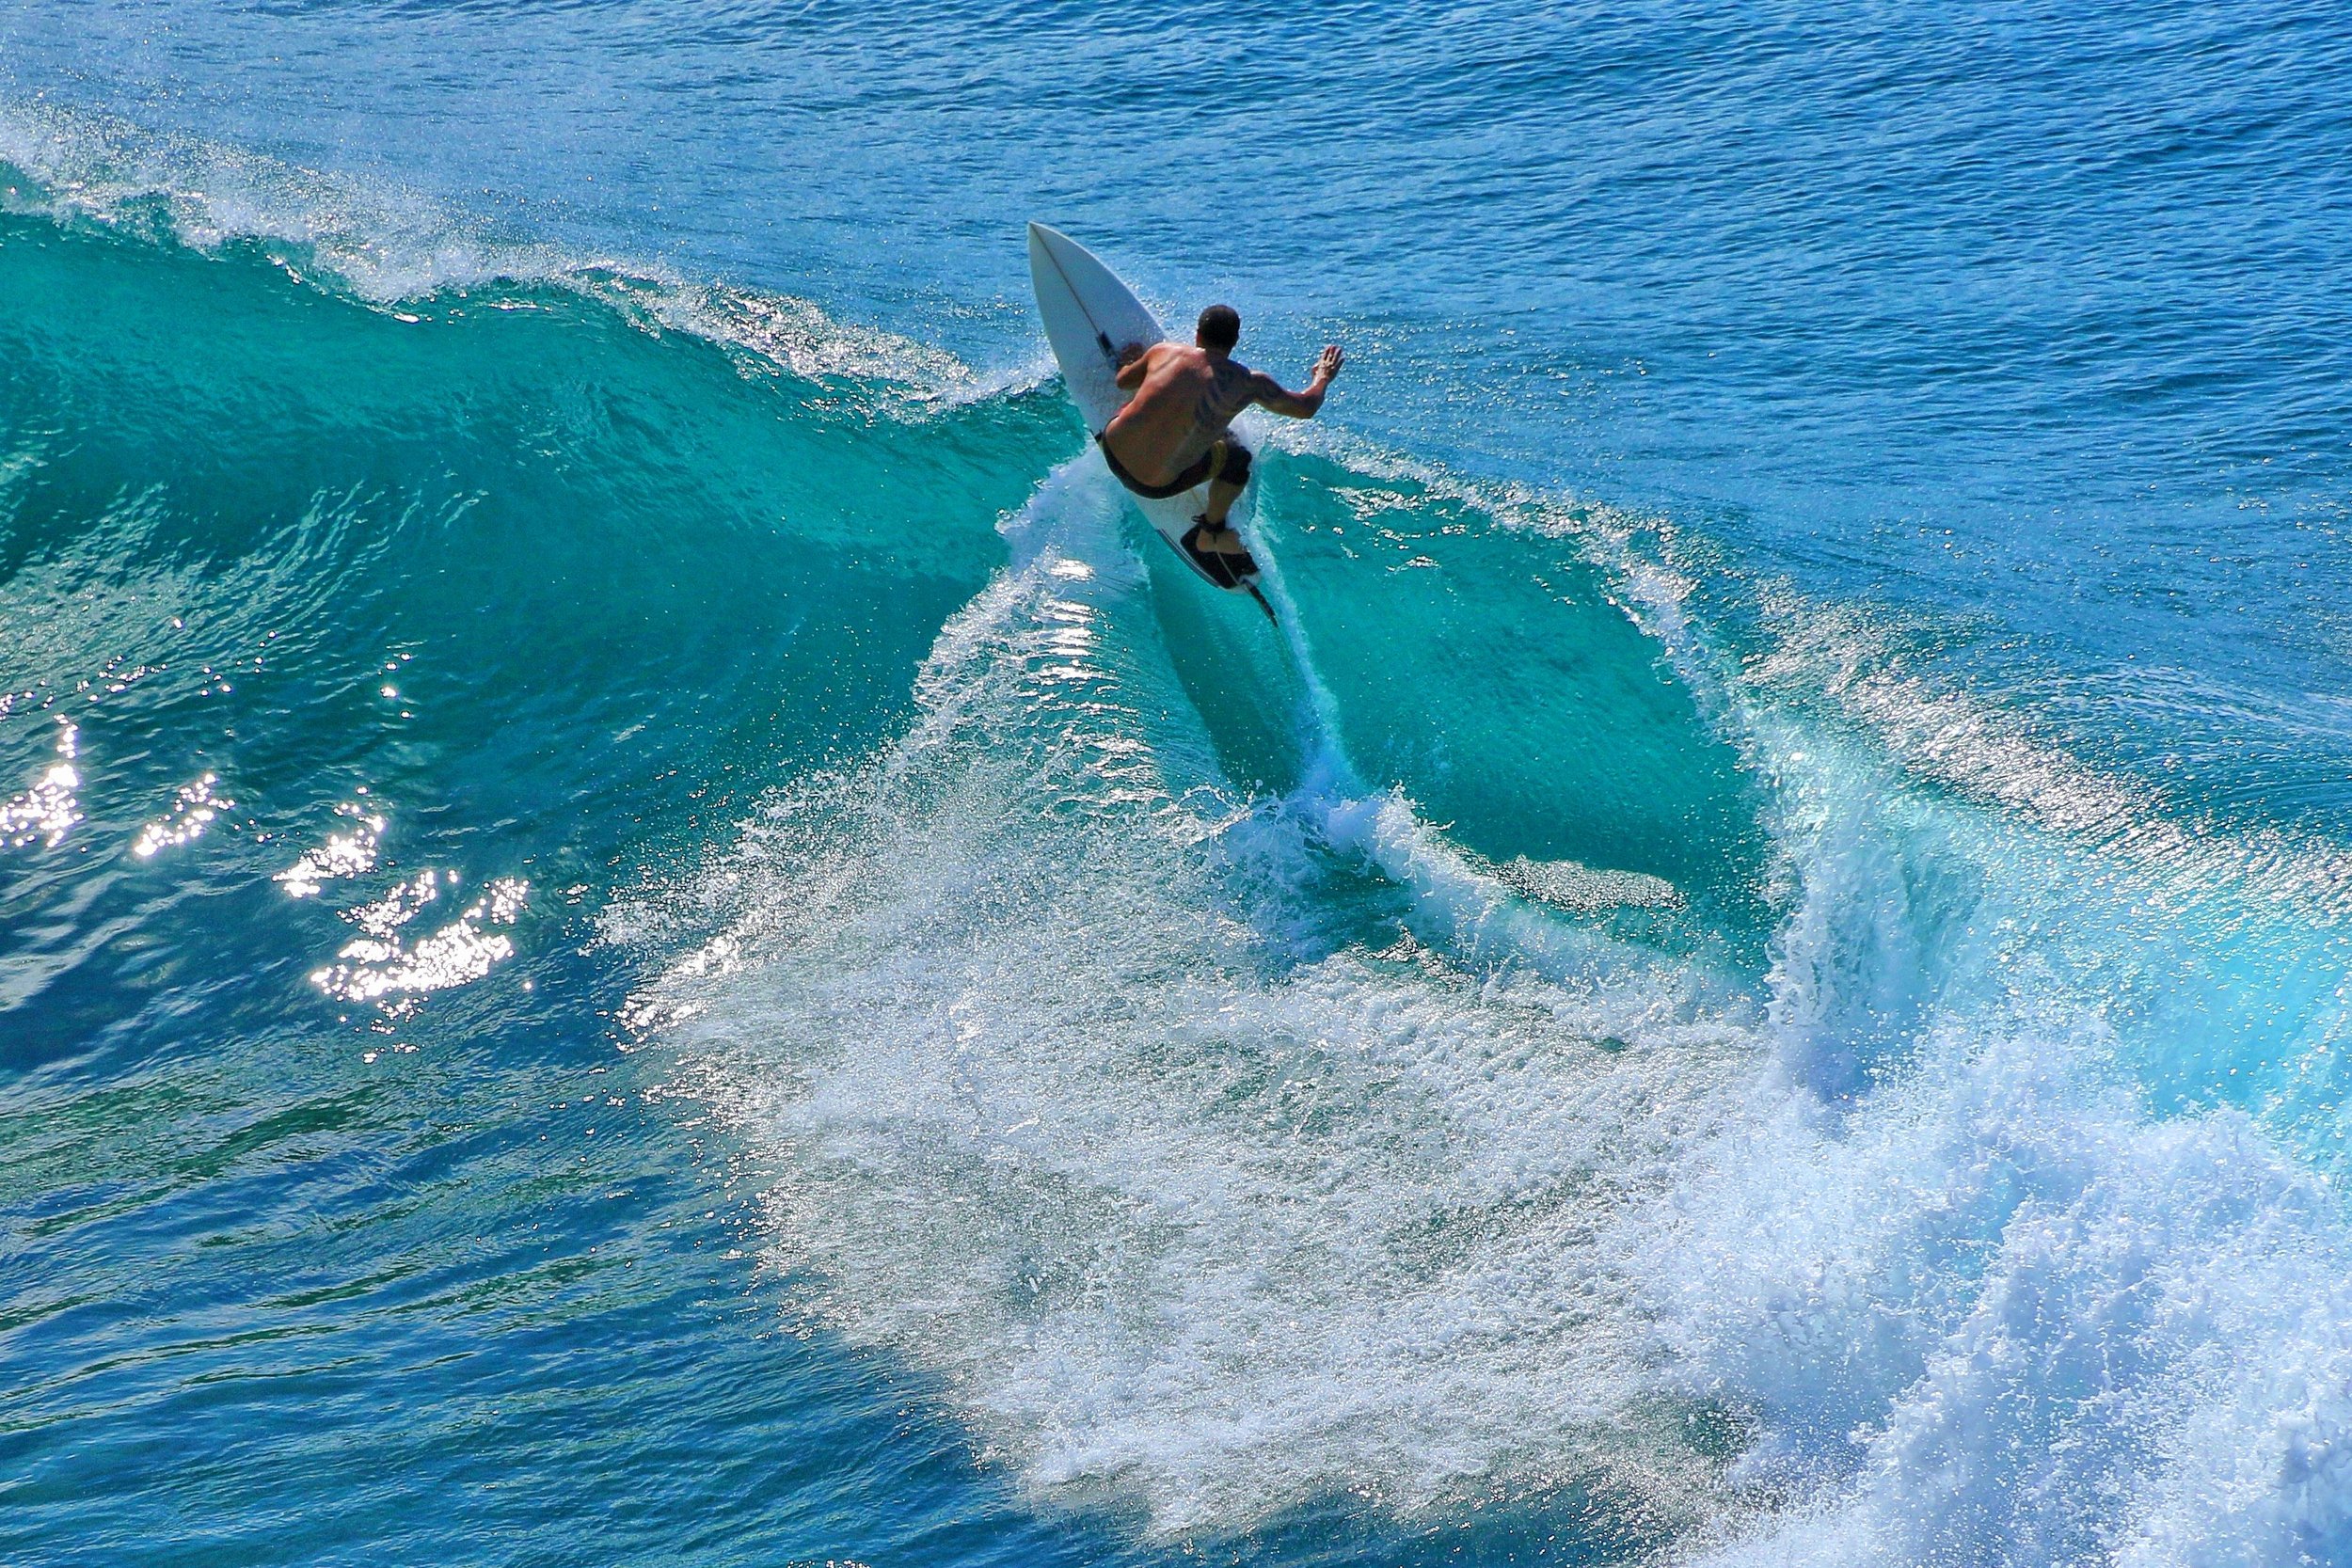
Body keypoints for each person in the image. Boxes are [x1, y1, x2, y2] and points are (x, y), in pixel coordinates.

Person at [1099, 304, 1343, 587]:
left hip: (1110, 446)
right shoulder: (1249, 383)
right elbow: (1306, 407)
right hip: (1152, 487)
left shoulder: (1163, 352)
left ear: (1198, 335)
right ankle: (1211, 532)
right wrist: (1322, 377)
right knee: (1237, 455)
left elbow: (1122, 380)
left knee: (1156, 403)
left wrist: (1128, 361)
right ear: (1234, 342)